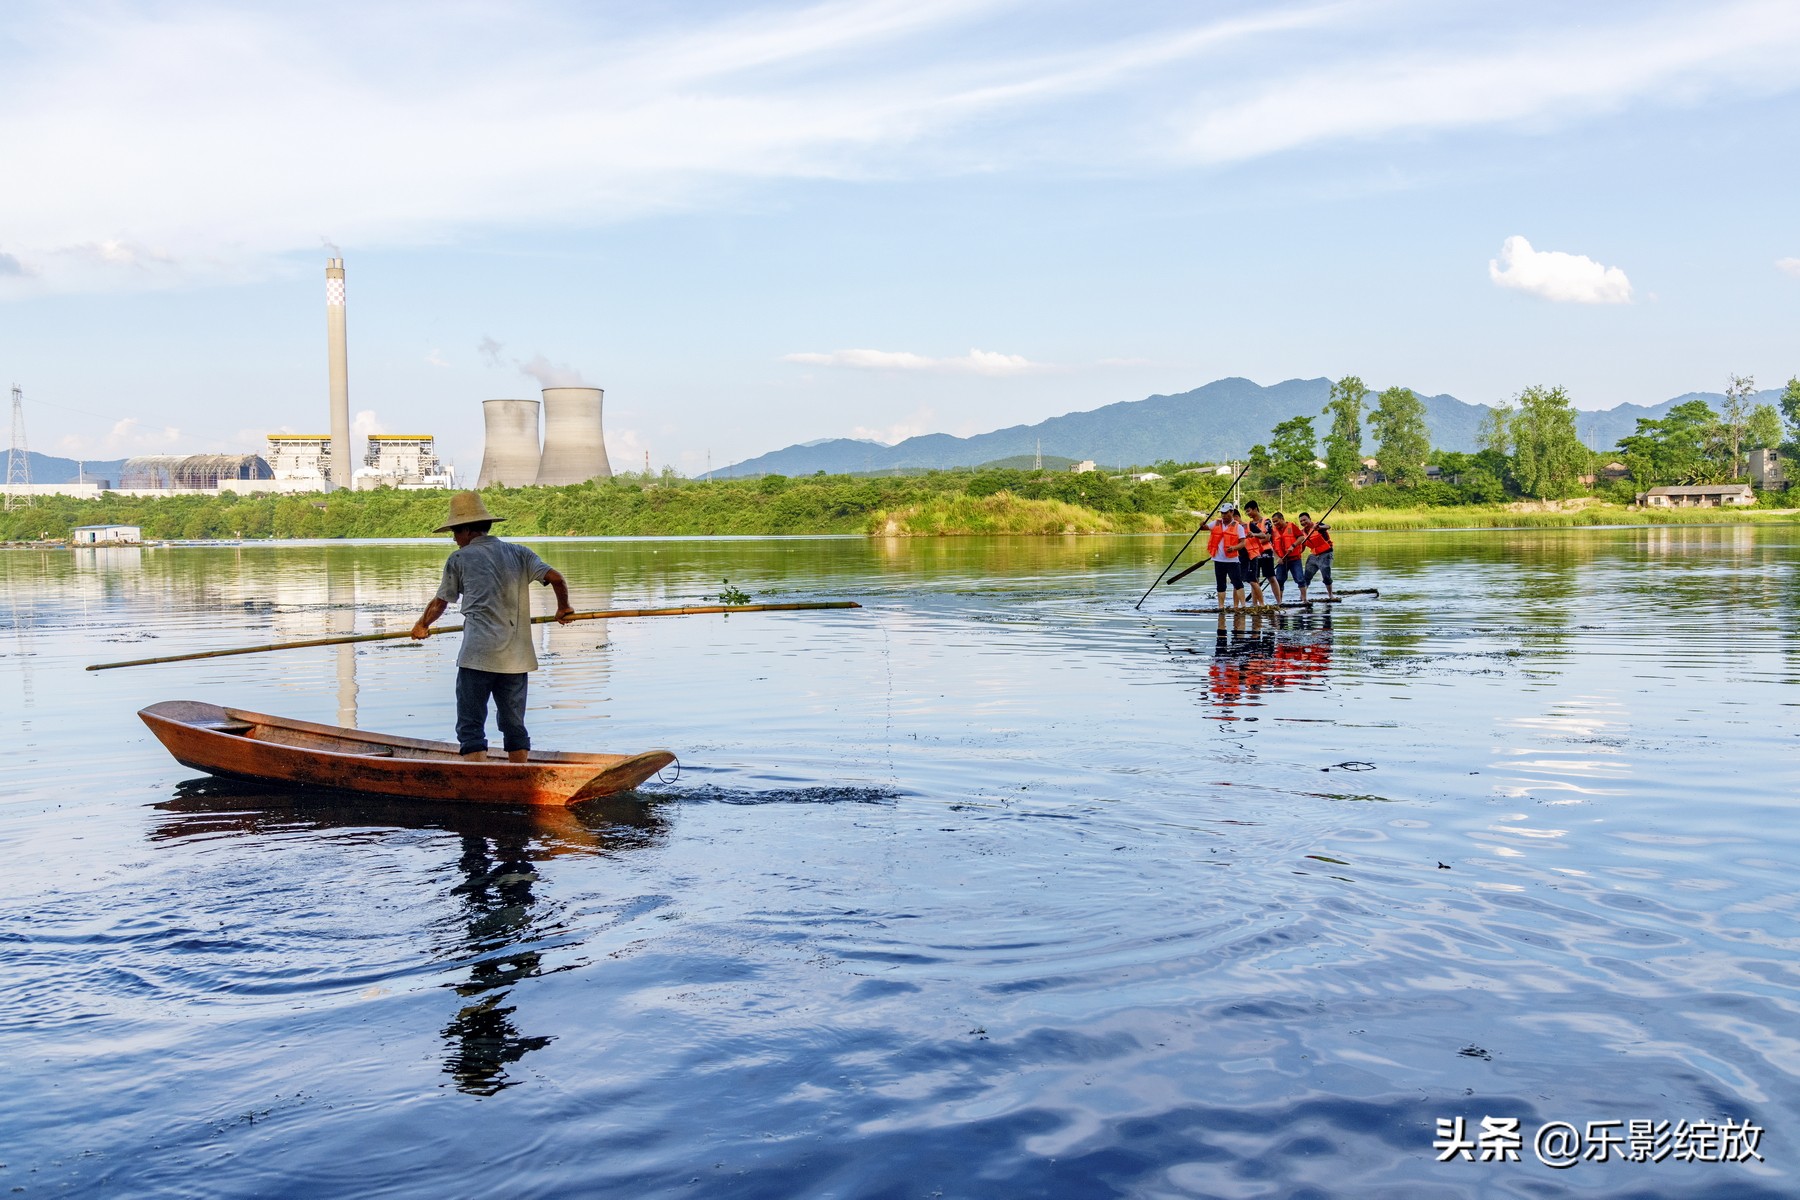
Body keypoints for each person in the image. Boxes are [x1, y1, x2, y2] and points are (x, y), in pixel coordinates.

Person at [410, 492, 575, 761]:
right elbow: (556, 578)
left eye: (454, 532)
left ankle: (477, 776)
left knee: (470, 725)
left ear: (466, 531)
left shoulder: (459, 559)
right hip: (516, 659)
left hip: (478, 656)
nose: (453, 538)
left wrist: (421, 625)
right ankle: (519, 774)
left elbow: (441, 602)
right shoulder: (520, 553)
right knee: (514, 725)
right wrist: (563, 608)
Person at [1204, 500, 1247, 611]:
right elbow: (1204, 527)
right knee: (1221, 585)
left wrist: (1234, 548)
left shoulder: (1238, 527)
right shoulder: (1216, 523)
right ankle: (1221, 607)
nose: (1223, 515)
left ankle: (1243, 606)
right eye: (1222, 513)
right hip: (1218, 560)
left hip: (1232, 560)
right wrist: (1202, 523)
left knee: (1238, 583)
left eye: (1226, 513)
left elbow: (1243, 543)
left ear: (1232, 512)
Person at [1239, 500, 1275, 607]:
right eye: (1246, 512)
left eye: (1249, 511)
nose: (1248, 514)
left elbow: (1267, 537)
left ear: (1255, 509)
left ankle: (1278, 601)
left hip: (1266, 553)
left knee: (1271, 577)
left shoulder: (1266, 521)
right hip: (1254, 555)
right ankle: (1255, 604)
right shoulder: (1249, 524)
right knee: (1254, 579)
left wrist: (1255, 538)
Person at [1296, 510, 1335, 603]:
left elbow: (1328, 526)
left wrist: (1319, 527)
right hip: (1313, 556)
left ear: (1310, 519)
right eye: (1301, 521)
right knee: (1306, 577)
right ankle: (1302, 596)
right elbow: (1302, 548)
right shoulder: (1301, 533)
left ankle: (1330, 595)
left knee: (1326, 576)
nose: (1303, 522)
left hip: (1325, 553)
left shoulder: (1318, 525)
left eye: (1305, 520)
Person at [1270, 511, 1304, 603]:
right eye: (1274, 522)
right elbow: (1271, 547)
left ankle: (1304, 600)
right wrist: (1277, 558)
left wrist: (1293, 546)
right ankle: (1279, 601)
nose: (1275, 524)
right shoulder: (1273, 531)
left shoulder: (1292, 526)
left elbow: (1301, 537)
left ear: (1282, 519)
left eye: (1277, 521)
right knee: (1279, 580)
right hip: (1282, 560)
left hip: (1295, 559)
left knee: (1300, 579)